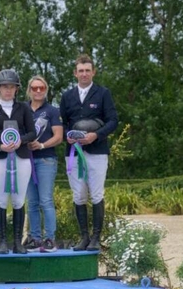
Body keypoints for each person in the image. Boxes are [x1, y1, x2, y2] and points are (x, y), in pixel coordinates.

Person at [60, 54, 118, 251]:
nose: (84, 74)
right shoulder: (67, 96)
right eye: (80, 71)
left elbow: (113, 121)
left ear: (93, 72)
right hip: (74, 153)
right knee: (79, 195)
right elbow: (63, 123)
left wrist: (96, 135)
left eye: (87, 70)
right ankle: (84, 236)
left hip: (97, 152)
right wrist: (66, 135)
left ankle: (96, 237)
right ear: (75, 73)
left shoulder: (103, 94)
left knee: (96, 194)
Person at [0, 69, 36, 254]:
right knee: (1, 200)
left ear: (16, 89)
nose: (8, 90)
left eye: (11, 87)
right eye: (4, 87)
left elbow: (32, 132)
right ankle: (2, 240)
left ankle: (18, 242)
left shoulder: (24, 109)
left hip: (21, 157)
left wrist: (21, 140)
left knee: (19, 200)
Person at [23, 75, 63, 251]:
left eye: (41, 88)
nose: (38, 91)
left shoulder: (52, 111)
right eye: (34, 88)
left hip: (46, 159)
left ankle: (50, 239)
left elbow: (58, 136)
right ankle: (35, 238)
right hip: (25, 160)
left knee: (45, 200)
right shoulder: (22, 109)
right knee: (31, 201)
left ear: (46, 90)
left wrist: (41, 145)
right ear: (29, 91)